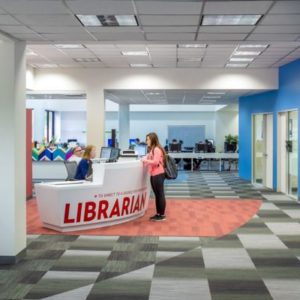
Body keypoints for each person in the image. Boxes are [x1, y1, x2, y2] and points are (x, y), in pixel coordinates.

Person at [142, 132, 167, 221]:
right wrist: (146, 159)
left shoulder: (156, 149)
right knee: (157, 195)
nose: (146, 141)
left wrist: (146, 160)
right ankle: (158, 213)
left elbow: (155, 162)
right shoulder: (152, 149)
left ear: (152, 139)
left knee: (160, 194)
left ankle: (162, 215)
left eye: (148, 139)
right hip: (154, 174)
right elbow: (148, 158)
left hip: (158, 174)